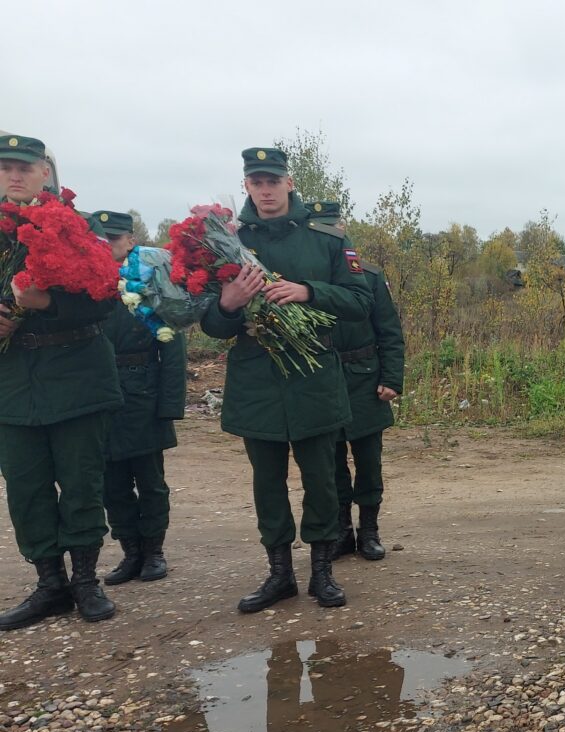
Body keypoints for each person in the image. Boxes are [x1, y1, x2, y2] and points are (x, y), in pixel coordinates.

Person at [201, 148, 371, 613]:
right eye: (257, 182)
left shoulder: (327, 237)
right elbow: (212, 326)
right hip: (257, 381)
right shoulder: (223, 241)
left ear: (289, 182)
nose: (266, 189)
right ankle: (279, 575)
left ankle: (322, 573)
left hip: (314, 374)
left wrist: (308, 291)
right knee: (267, 483)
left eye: (273, 180)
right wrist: (228, 304)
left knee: (322, 480)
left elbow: (361, 302)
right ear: (246, 186)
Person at [0, 134, 122, 629]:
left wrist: (48, 305)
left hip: (76, 376)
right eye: (6, 166)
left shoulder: (76, 229)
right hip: (12, 384)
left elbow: (105, 300)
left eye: (24, 167)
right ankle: (49, 585)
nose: (14, 175)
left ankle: (86, 581)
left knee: (80, 482)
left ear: (45, 172)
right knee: (25, 487)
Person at [307, 201, 407, 562]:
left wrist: (392, 378)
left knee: (368, 463)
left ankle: (369, 531)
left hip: (366, 380)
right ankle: (341, 532)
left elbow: (390, 332)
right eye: (321, 228)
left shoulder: (368, 275)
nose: (329, 234)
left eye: (333, 227)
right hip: (323, 379)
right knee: (330, 464)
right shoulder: (304, 279)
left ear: (343, 228)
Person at [94, 210, 187, 584]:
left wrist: (169, 404)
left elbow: (173, 347)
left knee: (149, 480)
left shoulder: (150, 280)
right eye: (102, 241)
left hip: (143, 391)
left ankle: (154, 552)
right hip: (99, 392)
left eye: (115, 239)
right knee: (109, 482)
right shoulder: (86, 283)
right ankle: (130, 552)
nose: (109, 247)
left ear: (130, 241)